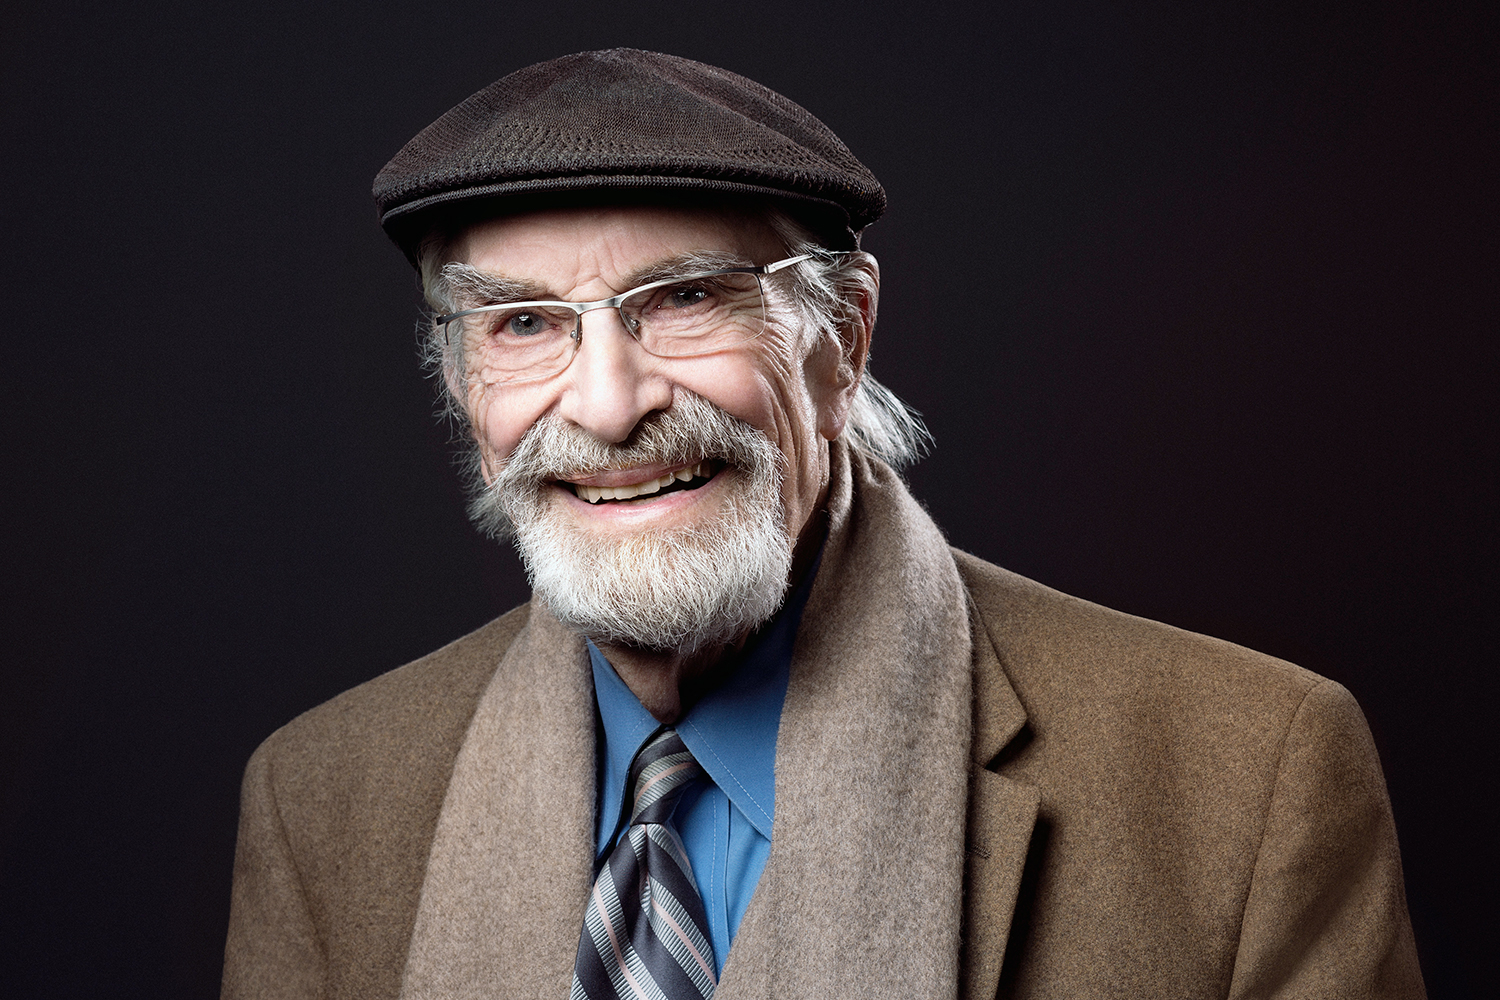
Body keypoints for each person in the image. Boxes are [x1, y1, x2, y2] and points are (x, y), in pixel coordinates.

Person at [221, 49, 1425, 1000]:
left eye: (685, 297)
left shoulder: (1252, 781)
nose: (607, 402)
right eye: (524, 324)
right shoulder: (322, 801)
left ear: (842, 338)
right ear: (458, 375)